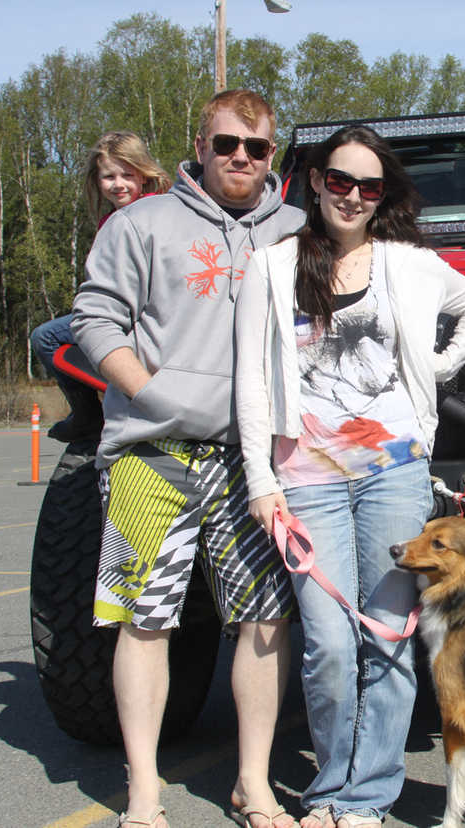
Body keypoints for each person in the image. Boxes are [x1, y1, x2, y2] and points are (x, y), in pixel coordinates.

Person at [235, 125, 465, 828]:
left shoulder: (409, 263)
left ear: (383, 196)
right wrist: (260, 480)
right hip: (307, 477)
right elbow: (252, 383)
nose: (352, 196)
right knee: (325, 641)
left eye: (368, 186)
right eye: (340, 181)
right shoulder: (272, 265)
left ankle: (367, 798)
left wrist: (438, 370)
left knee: (385, 636)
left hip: (394, 472)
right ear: (315, 182)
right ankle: (328, 790)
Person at [71, 89, 305, 828]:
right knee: (145, 619)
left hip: (255, 464)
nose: (241, 157)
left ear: (274, 154)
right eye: (227, 143)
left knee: (267, 619)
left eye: (257, 147)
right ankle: (144, 790)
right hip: (151, 452)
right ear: (199, 144)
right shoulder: (141, 221)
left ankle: (253, 782)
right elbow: (94, 316)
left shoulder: (299, 230)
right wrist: (150, 393)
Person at [31, 131, 171, 443]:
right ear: (97, 180)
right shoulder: (115, 217)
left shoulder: (148, 212)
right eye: (109, 176)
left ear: (144, 175)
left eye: (127, 175)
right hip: (123, 307)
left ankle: (89, 412)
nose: (118, 184)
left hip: (137, 311)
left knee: (46, 337)